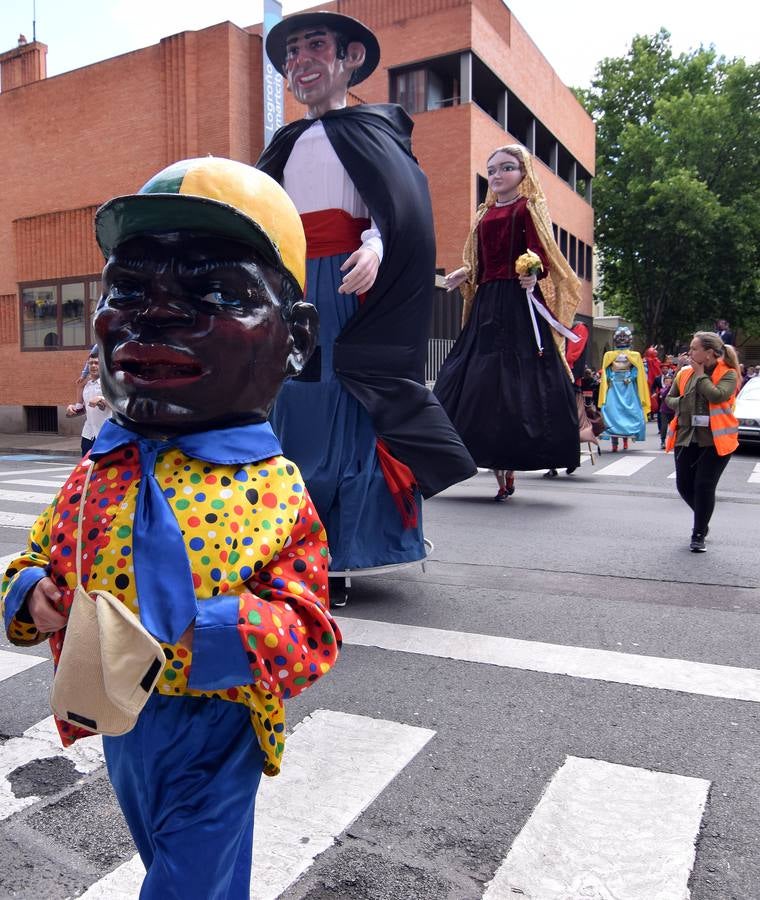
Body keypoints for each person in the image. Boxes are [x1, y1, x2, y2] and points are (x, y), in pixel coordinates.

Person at [1, 157, 341, 898]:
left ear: (295, 340)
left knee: (188, 880)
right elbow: (34, 558)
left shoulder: (274, 491)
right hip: (120, 716)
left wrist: (210, 633)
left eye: (215, 291)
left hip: (216, 726)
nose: (153, 313)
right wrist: (31, 595)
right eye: (128, 289)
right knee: (175, 862)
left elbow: (312, 630)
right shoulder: (96, 473)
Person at [258, 11, 474, 580]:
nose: (299, 61)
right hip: (294, 285)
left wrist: (376, 247)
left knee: (348, 402)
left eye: (314, 47)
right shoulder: (282, 143)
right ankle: (290, 544)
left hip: (351, 285)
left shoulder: (374, 131)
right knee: (294, 401)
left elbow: (400, 208)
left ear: (349, 58)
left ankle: (350, 550)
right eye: (291, 53)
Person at [433, 144, 581, 501]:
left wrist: (533, 273)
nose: (498, 175)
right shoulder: (483, 213)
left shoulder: (528, 208)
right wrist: (465, 273)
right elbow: (481, 260)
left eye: (507, 168)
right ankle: (461, 454)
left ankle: (509, 466)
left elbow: (543, 254)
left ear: (523, 173)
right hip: (486, 303)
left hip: (517, 302)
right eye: (493, 170)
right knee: (468, 376)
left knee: (516, 380)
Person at [665, 331, 740, 552]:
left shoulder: (728, 373)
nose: (690, 352)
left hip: (716, 441)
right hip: (686, 437)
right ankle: (703, 519)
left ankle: (698, 534)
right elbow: (669, 399)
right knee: (684, 485)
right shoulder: (683, 373)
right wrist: (681, 403)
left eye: (694, 348)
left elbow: (717, 396)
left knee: (704, 486)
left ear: (708, 353)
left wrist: (700, 375)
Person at [597, 326, 650, 452]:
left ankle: (626, 440)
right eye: (619, 336)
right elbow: (607, 370)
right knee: (611, 413)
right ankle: (614, 444)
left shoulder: (634, 355)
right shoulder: (609, 355)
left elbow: (637, 370)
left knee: (628, 413)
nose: (621, 338)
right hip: (614, 388)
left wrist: (630, 378)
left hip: (628, 389)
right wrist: (611, 378)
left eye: (624, 336)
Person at [65, 348, 110, 455]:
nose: (93, 366)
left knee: (104, 469)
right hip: (88, 435)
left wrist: (101, 398)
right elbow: (81, 409)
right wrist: (71, 408)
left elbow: (118, 405)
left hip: (106, 435)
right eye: (90, 363)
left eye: (96, 363)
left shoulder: (109, 385)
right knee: (86, 469)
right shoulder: (87, 385)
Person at [657, 370, 675, 449]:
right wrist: (670, 387)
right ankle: (663, 441)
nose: (668, 382)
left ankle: (674, 441)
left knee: (674, 427)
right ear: (664, 383)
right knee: (664, 427)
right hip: (664, 411)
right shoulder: (662, 389)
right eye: (666, 381)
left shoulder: (674, 389)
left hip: (673, 411)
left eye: (670, 381)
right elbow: (663, 395)